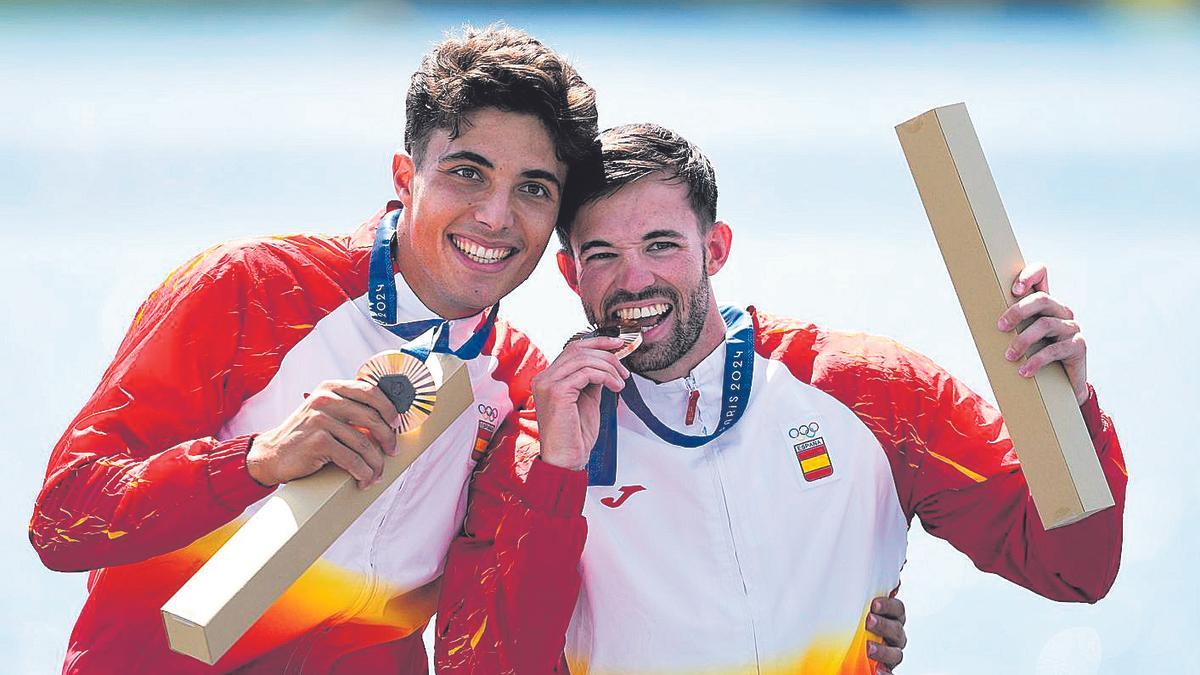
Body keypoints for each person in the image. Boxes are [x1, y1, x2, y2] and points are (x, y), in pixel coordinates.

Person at [434, 123, 1128, 675]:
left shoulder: (870, 393)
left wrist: (1070, 400)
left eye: (661, 244)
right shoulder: (533, 452)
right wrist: (556, 474)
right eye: (604, 254)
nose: (634, 277)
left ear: (717, 247)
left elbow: (1074, 566)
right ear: (569, 272)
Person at [28, 24, 599, 674]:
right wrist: (254, 461)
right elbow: (61, 518)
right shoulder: (247, 288)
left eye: (533, 188)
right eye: (468, 172)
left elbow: (489, 661)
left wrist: (554, 478)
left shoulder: (520, 385)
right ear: (405, 176)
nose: (496, 215)